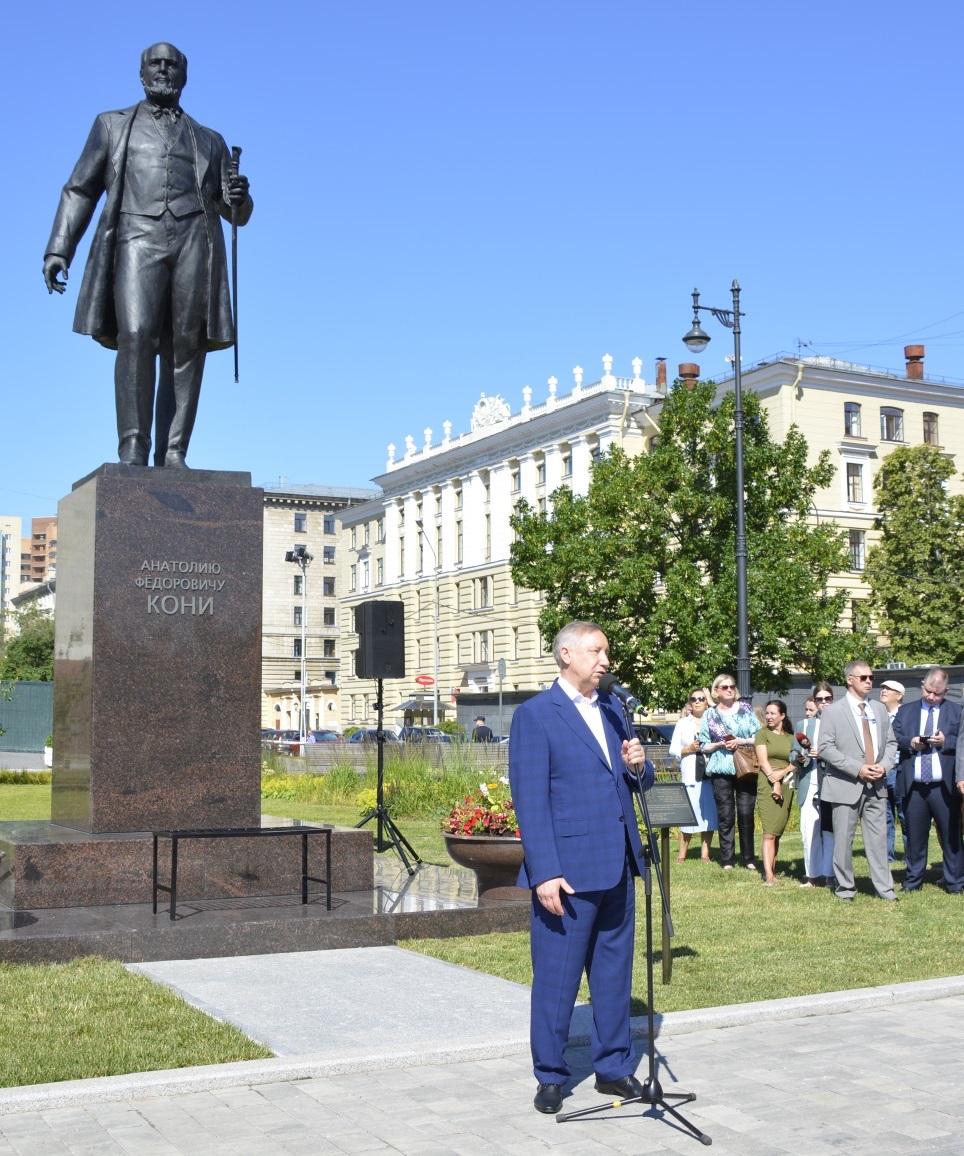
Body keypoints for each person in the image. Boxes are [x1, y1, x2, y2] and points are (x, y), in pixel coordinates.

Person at [43, 43, 253, 468]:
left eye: (171, 64)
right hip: (136, 237)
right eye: (155, 63)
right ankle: (134, 446)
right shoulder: (112, 125)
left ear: (184, 75)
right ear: (141, 74)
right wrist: (59, 247)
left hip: (195, 240)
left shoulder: (211, 140)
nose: (163, 70)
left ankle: (173, 451)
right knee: (136, 335)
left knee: (186, 347)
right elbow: (80, 188)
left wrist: (239, 197)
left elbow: (236, 214)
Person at [508, 621, 653, 1115]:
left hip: (618, 864)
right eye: (596, 651)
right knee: (558, 977)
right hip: (567, 873)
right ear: (566, 654)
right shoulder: (536, 715)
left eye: (606, 651)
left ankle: (613, 1067)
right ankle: (551, 1075)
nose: (605, 660)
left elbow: (639, 780)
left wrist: (639, 762)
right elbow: (529, 800)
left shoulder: (614, 709)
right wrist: (544, 871)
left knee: (613, 974)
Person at [818, 660, 898, 903]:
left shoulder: (880, 709)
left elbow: (891, 743)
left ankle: (885, 890)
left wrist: (883, 766)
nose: (869, 681)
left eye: (871, 677)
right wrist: (858, 769)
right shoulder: (833, 711)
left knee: (878, 841)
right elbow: (825, 748)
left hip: (877, 784)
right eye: (863, 677)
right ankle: (845, 889)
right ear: (849, 679)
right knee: (843, 841)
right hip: (846, 784)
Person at [892, 669, 964, 894]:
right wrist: (911, 743)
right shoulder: (906, 711)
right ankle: (913, 882)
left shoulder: (957, 712)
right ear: (922, 685)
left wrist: (945, 742)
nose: (932, 696)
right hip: (914, 787)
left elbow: (961, 741)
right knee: (915, 838)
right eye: (928, 691)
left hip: (943, 786)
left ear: (947, 691)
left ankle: (956, 883)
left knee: (952, 836)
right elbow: (894, 737)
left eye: (938, 693)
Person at [698, 674, 759, 871]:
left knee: (746, 812)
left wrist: (740, 741)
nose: (729, 690)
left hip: (745, 767)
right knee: (725, 815)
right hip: (721, 769)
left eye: (732, 686)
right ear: (716, 691)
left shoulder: (746, 710)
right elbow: (703, 745)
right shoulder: (710, 714)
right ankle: (727, 859)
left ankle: (748, 857)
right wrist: (719, 744)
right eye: (724, 687)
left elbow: (759, 736)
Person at [791, 684, 835, 888]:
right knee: (809, 831)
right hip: (810, 781)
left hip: (833, 783)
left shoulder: (841, 722)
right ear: (815, 702)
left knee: (829, 831)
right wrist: (800, 757)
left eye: (828, 698)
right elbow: (793, 753)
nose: (824, 702)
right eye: (820, 699)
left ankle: (831, 875)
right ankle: (812, 875)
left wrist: (824, 755)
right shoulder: (804, 725)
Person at [669, 688, 717, 862]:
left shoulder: (713, 721)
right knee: (689, 814)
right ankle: (682, 853)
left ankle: (706, 854)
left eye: (701, 699)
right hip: (690, 774)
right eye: (694, 699)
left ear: (706, 701)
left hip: (710, 773)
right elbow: (673, 749)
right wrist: (688, 749)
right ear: (689, 702)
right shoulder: (683, 723)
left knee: (709, 815)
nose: (697, 701)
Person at [755, 700, 796, 885]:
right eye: (767, 713)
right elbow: (763, 761)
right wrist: (775, 783)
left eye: (773, 713)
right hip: (767, 780)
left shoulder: (790, 737)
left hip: (787, 782)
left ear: (782, 716)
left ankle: (773, 869)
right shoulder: (763, 734)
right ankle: (768, 875)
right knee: (769, 832)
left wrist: (783, 774)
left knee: (777, 832)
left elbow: (796, 762)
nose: (769, 717)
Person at [879, 679, 907, 862]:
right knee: (885, 815)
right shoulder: (878, 716)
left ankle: (910, 855)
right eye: (882, 688)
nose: (883, 690)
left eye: (889, 689)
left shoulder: (905, 716)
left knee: (905, 814)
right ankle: (887, 856)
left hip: (899, 770)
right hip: (881, 771)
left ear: (899, 695)